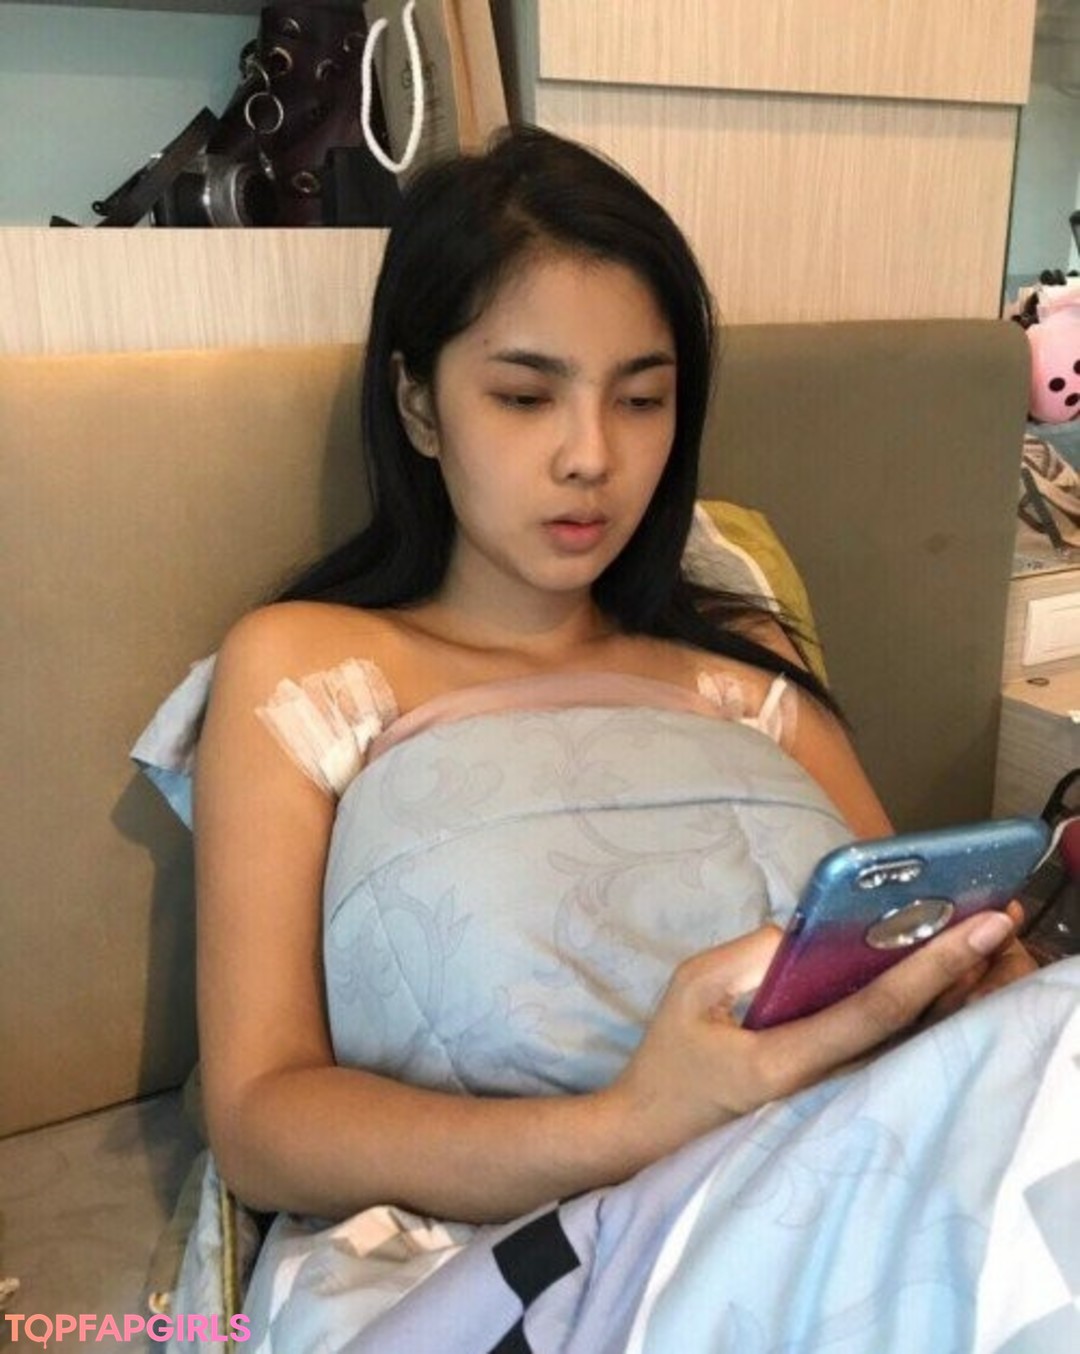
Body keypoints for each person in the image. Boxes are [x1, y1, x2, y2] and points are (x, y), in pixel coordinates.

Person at [168, 127, 1076, 1352]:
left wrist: (971, 984)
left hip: (855, 1168)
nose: (592, 455)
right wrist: (630, 1123)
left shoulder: (746, 663)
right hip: (561, 1248)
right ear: (419, 403)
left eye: (642, 399)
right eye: (524, 395)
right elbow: (260, 1120)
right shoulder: (311, 670)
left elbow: (892, 942)